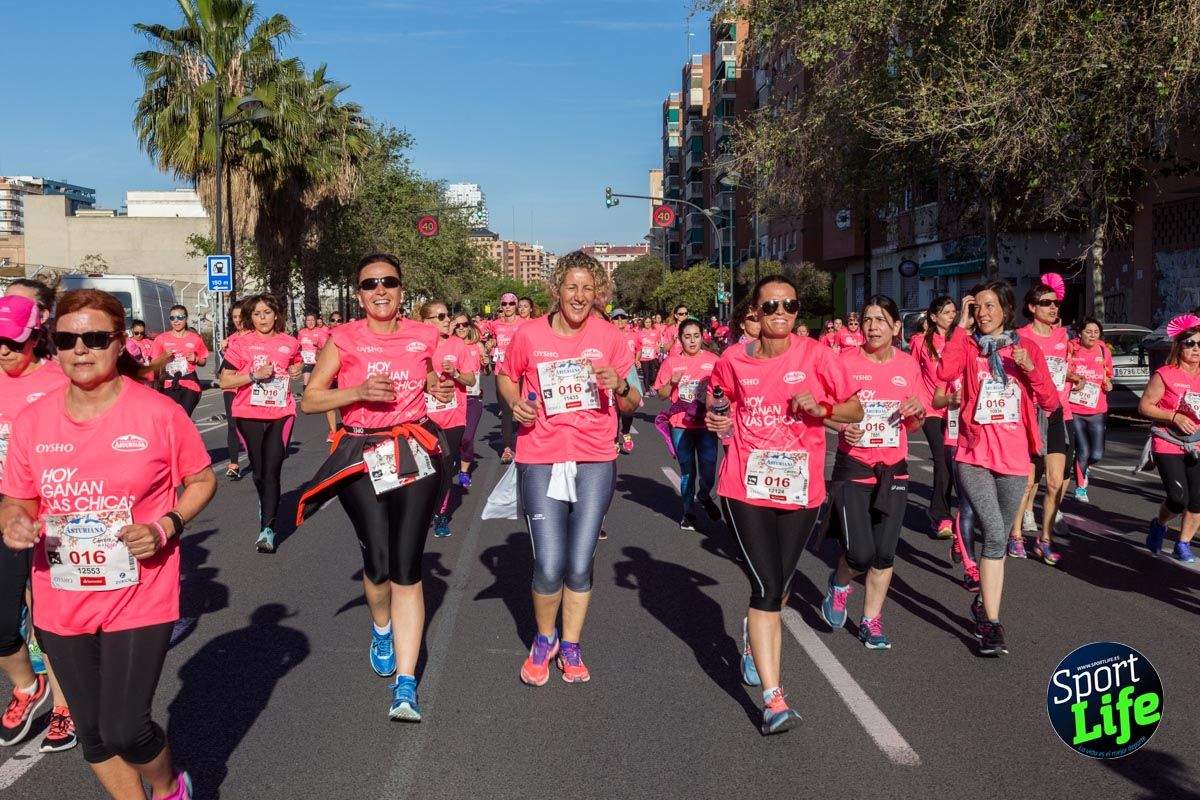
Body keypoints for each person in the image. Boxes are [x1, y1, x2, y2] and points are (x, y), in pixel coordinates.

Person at [0, 288, 216, 800]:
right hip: (60, 593)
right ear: (53, 343)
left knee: (126, 729)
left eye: (95, 338)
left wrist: (166, 525)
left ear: (120, 343)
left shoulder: (158, 413)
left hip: (139, 591)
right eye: (67, 339)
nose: (80, 349)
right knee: (93, 732)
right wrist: (13, 521)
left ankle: (168, 788)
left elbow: (202, 480)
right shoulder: (33, 422)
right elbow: (17, 498)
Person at [297, 253, 454, 721]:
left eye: (388, 282)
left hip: (413, 448)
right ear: (359, 293)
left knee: (407, 566)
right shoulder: (343, 338)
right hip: (361, 454)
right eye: (370, 284)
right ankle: (381, 627)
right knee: (378, 562)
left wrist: (437, 388)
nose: (380, 290)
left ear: (402, 288)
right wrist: (358, 392)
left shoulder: (425, 334)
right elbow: (310, 399)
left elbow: (427, 374)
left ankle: (406, 683)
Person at [707, 274, 862, 735]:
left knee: (781, 582)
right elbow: (718, 397)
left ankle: (754, 637)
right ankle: (774, 700)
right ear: (755, 311)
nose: (781, 313)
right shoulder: (734, 359)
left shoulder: (817, 355)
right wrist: (718, 418)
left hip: (799, 488)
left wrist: (822, 410)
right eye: (771, 305)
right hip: (745, 485)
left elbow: (854, 408)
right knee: (767, 586)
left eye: (789, 305)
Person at [498, 251, 639, 687]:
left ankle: (572, 644)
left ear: (598, 293)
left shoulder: (610, 337)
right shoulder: (528, 334)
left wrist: (619, 386)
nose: (579, 296)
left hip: (595, 457)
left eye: (587, 288)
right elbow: (505, 375)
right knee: (548, 563)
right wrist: (515, 402)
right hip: (540, 455)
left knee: (579, 563)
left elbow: (633, 400)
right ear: (556, 289)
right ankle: (545, 639)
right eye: (572, 287)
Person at [937, 281, 1058, 655]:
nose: (984, 313)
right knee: (992, 531)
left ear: (1006, 310)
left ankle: (982, 604)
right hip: (973, 454)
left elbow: (1050, 401)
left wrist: (1030, 368)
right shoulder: (968, 346)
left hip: (1014, 458)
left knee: (1000, 538)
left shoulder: (1026, 349)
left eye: (990, 306)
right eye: (978, 307)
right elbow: (945, 371)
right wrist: (960, 326)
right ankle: (991, 624)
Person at [820, 296, 924, 649]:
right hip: (855, 465)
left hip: (894, 468)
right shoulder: (844, 362)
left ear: (896, 327)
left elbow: (913, 423)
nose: (873, 326)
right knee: (860, 554)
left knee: (884, 554)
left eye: (880, 320)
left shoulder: (908, 365)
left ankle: (870, 621)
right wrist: (841, 426)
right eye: (867, 319)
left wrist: (915, 413)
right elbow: (822, 409)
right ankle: (839, 584)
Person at [0, 295, 77, 753]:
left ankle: (66, 705)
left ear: (34, 337)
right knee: (2, 619)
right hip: (5, 508)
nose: (3, 350)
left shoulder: (58, 380)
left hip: (55, 508)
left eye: (12, 341)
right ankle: (28, 686)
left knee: (50, 615)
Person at [218, 294, 302, 553]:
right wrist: (254, 375)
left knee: (272, 469)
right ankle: (265, 502)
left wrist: (297, 370)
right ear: (250, 318)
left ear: (276, 315)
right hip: (249, 413)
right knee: (259, 472)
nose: (263, 318)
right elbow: (225, 381)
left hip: (281, 413)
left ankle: (267, 530)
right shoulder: (240, 344)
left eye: (267, 313)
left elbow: (296, 363)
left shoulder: (290, 343)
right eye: (257, 314)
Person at [1011, 275, 1073, 565]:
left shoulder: (1063, 337)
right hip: (1030, 412)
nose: (1053, 308)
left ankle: (1045, 539)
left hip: (1059, 412)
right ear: (1032, 307)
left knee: (1056, 482)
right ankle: (1015, 534)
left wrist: (1074, 378)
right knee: (1027, 482)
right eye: (1046, 303)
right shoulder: (1019, 337)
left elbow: (1063, 370)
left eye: (1056, 303)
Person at [1139, 313, 1200, 563]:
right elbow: (1145, 406)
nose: (1196, 349)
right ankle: (1160, 523)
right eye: (1190, 343)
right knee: (1177, 498)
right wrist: (1174, 416)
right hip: (1168, 441)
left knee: (1197, 500)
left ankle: (1183, 544)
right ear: (1178, 346)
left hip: (1197, 443)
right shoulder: (1165, 374)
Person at [654, 318, 721, 530]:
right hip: (680, 424)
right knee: (687, 470)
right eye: (687, 337)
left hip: (706, 424)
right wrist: (672, 382)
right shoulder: (671, 362)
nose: (692, 341)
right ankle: (688, 513)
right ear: (680, 339)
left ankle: (704, 494)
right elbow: (661, 395)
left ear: (702, 337)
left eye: (696, 336)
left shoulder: (714, 361)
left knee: (709, 469)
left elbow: (724, 390)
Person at [420, 301, 478, 538]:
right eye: (441, 316)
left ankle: (441, 515)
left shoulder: (458, 345)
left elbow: (471, 380)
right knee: (425, 469)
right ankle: (421, 510)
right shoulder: (418, 346)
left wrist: (455, 373)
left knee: (445, 467)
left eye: (448, 316)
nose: (448, 320)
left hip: (453, 418)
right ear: (427, 322)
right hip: (422, 418)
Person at [910, 296, 959, 540]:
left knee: (954, 461)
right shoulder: (920, 341)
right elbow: (911, 372)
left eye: (953, 311)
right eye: (946, 312)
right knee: (941, 459)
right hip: (930, 409)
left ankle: (959, 512)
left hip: (955, 409)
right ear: (933, 316)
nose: (951, 315)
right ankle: (940, 515)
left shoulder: (960, 340)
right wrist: (913, 403)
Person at [1067, 318, 1113, 502]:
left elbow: (1108, 374)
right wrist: (1074, 379)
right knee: (1083, 451)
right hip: (1075, 409)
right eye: (1088, 332)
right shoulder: (1072, 348)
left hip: (1097, 409)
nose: (1093, 336)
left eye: (1096, 332)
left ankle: (1084, 466)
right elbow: (1063, 372)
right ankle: (1080, 488)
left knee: (1097, 454)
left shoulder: (1103, 350)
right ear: (1080, 333)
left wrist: (1108, 383)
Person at [484, 292, 526, 464]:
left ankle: (525, 444)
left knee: (524, 408)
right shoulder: (495, 325)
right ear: (501, 306)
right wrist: (490, 344)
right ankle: (507, 448)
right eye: (504, 303)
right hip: (501, 372)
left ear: (516, 305)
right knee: (507, 411)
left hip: (522, 371)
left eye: (511, 303)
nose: (507, 306)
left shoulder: (524, 324)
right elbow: (489, 339)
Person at [149, 305, 208, 417]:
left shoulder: (195, 338)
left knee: (183, 416)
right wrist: (163, 356)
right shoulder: (161, 339)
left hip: (190, 383)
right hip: (168, 383)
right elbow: (152, 364)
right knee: (171, 418)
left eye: (180, 317)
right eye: (173, 318)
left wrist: (196, 359)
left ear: (186, 318)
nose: (176, 321)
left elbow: (203, 361)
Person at [217, 303, 247, 480]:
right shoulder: (231, 339)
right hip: (230, 385)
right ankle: (234, 463)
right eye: (234, 317)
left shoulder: (254, 337)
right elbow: (224, 367)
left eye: (240, 317)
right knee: (232, 423)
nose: (237, 320)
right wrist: (223, 351)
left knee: (248, 424)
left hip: (247, 385)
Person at [611, 309, 639, 453]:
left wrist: (637, 360)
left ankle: (625, 431)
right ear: (612, 321)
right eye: (616, 318)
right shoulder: (608, 336)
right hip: (614, 373)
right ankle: (615, 439)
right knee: (614, 408)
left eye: (623, 317)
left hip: (630, 373)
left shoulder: (633, 335)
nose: (620, 320)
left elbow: (638, 348)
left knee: (630, 407)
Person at [636, 316, 661, 389]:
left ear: (651, 323)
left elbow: (659, 342)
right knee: (646, 374)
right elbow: (637, 345)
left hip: (653, 357)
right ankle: (647, 390)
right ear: (643, 323)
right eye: (646, 322)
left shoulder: (656, 332)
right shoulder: (639, 333)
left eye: (649, 322)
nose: (648, 324)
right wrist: (637, 358)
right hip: (643, 358)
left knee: (653, 375)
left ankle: (651, 385)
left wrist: (658, 347)